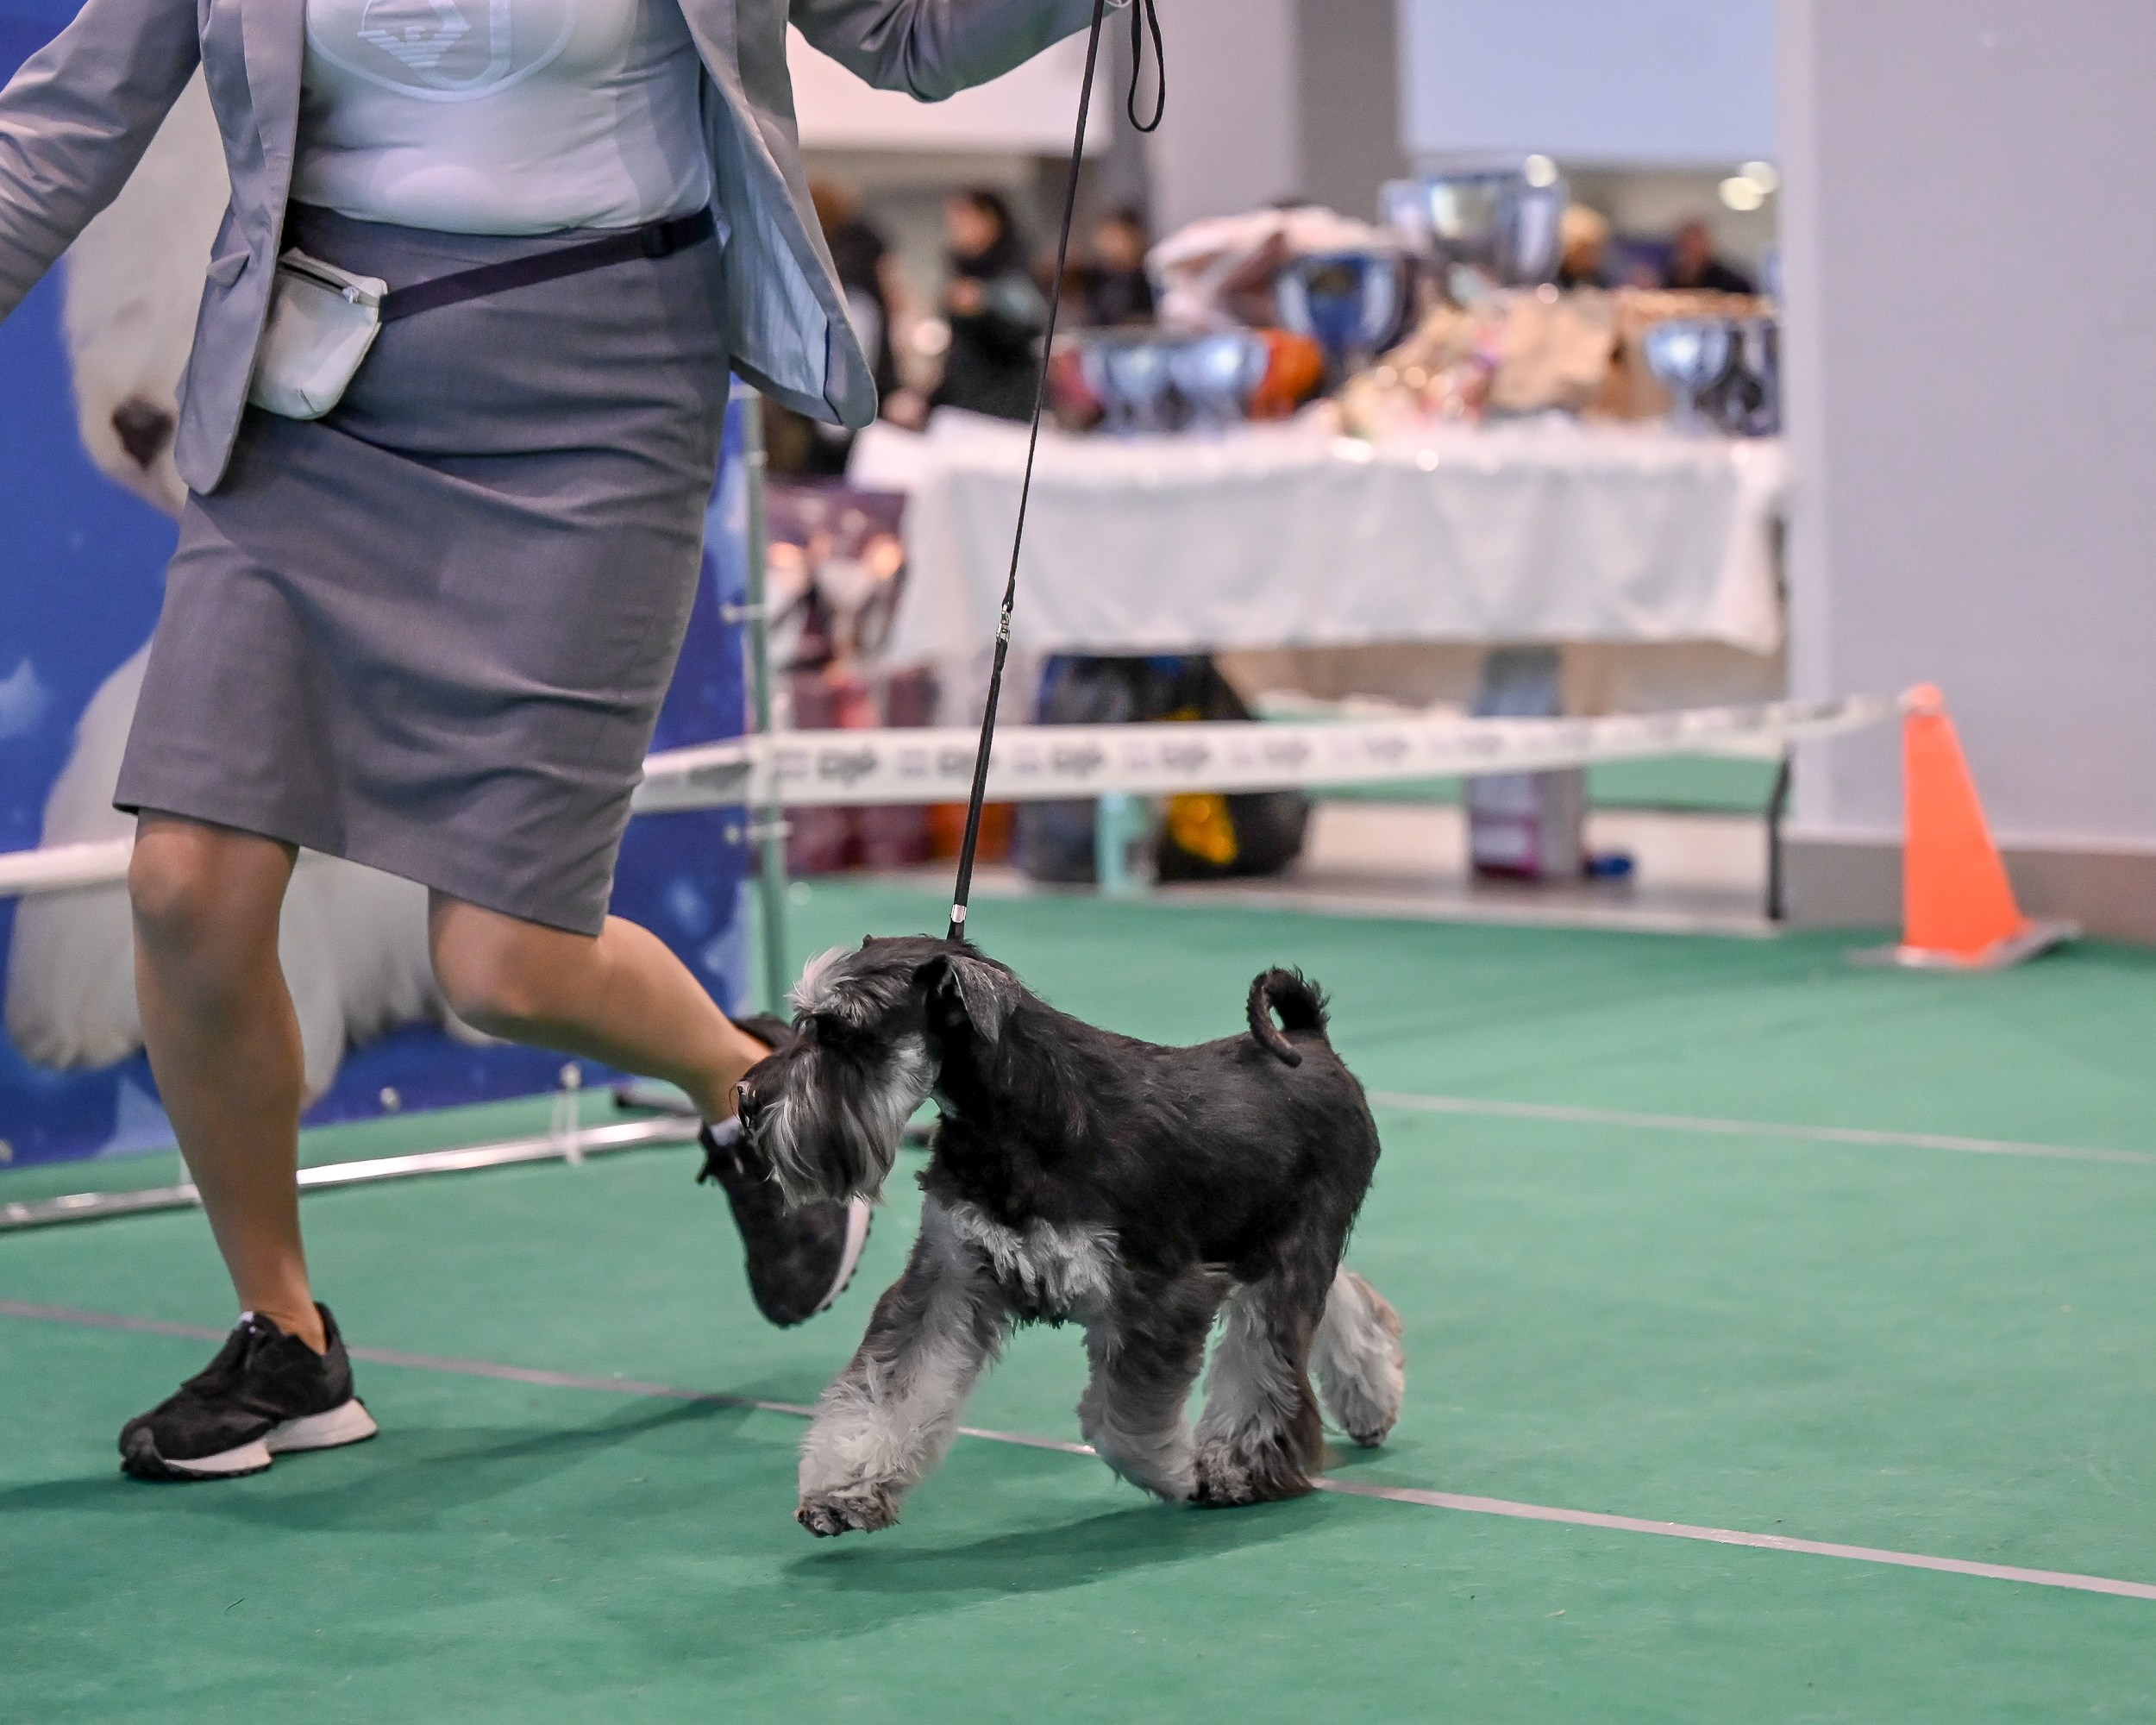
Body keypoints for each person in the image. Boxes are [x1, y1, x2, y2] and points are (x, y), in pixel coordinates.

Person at [0, 0, 1104, 1484]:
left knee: (499, 966)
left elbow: (906, 34)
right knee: (182, 888)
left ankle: (748, 1091)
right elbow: (61, 125)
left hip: (601, 406)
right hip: (310, 399)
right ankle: (285, 1337)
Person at [928, 187, 1050, 422]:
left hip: (1005, 411)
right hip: (965, 407)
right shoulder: (961, 272)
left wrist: (983, 308)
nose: (955, 229)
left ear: (990, 219)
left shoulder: (1013, 272)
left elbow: (1027, 334)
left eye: (964, 219)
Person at [1075, 207, 1154, 327]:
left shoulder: (1152, 278)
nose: (1109, 246)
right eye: (1106, 239)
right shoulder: (1098, 279)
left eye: (1116, 238)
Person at [1662, 217, 1756, 295]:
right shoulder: (1671, 279)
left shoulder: (1732, 281)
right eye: (1687, 245)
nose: (1693, 251)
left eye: (1697, 243)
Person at [1554, 204, 1611, 291]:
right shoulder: (1548, 277)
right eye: (1587, 251)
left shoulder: (1597, 277)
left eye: (1598, 250)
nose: (1594, 258)